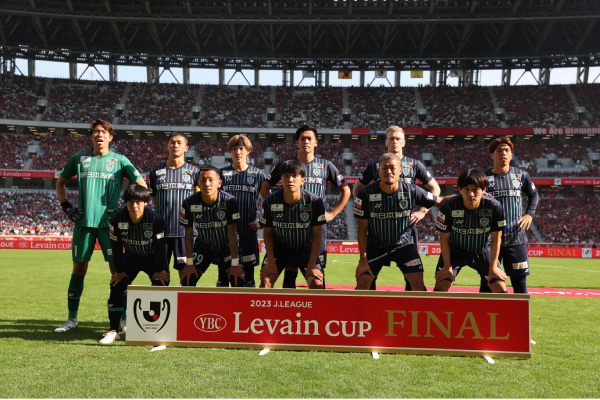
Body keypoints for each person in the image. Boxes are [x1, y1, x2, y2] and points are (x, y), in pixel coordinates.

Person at [54, 119, 147, 333]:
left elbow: (141, 186)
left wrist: (124, 210)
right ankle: (72, 320)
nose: (99, 135)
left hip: (110, 226)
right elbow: (60, 182)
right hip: (84, 223)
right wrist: (66, 206)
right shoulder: (79, 159)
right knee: (78, 270)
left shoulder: (120, 161)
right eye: (96, 131)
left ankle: (123, 319)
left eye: (104, 132)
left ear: (110, 137)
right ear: (91, 136)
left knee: (118, 271)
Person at [260, 125, 351, 288]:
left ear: (316, 142)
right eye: (303, 138)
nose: (306, 141)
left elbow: (346, 190)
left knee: (315, 275)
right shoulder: (285, 165)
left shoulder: (326, 165)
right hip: (286, 227)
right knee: (289, 271)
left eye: (310, 138)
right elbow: (264, 188)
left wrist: (333, 214)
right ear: (297, 142)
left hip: (313, 229)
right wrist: (277, 209)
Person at [352, 126, 440, 291]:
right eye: (391, 138)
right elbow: (357, 189)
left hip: (405, 228)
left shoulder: (415, 165)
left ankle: (410, 304)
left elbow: (435, 189)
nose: (394, 142)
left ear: (404, 142)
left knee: (412, 278)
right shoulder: (375, 165)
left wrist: (422, 211)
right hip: (378, 230)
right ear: (386, 142)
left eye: (398, 139)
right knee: (367, 279)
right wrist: (367, 209)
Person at [99, 184, 169, 344]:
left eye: (138, 202)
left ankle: (157, 329)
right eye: (131, 202)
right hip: (131, 257)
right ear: (125, 203)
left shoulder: (156, 219)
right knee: (116, 285)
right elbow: (116, 247)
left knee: (161, 284)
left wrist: (159, 269)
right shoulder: (116, 219)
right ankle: (113, 331)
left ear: (145, 202)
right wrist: (119, 270)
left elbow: (161, 247)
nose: (134, 206)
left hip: (153, 258)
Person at [434, 168, 508, 293]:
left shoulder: (494, 207)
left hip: (483, 250)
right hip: (455, 251)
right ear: (460, 189)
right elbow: (444, 238)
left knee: (499, 286)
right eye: (467, 189)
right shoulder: (449, 206)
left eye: (475, 189)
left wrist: (494, 267)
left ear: (484, 189)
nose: (471, 194)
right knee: (442, 283)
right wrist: (447, 267)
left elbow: (496, 238)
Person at [483, 137, 539, 294]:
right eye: (499, 150)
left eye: (507, 150)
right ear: (492, 155)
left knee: (520, 284)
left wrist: (529, 214)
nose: (503, 153)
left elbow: (534, 195)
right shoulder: (483, 178)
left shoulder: (521, 175)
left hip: (515, 238)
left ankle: (518, 312)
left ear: (511, 155)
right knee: (488, 284)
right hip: (489, 240)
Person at [259, 160, 327, 289]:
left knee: (317, 285)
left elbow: (317, 234)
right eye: (286, 176)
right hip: (279, 250)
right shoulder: (270, 202)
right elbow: (267, 232)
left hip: (305, 249)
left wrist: (312, 263)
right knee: (265, 283)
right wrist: (271, 262)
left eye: (295, 176)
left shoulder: (314, 202)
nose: (290, 180)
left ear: (302, 180)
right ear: (281, 179)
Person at [179, 166, 242, 287]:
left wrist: (235, 263)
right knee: (188, 280)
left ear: (219, 183)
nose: (207, 184)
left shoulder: (229, 201)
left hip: (227, 248)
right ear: (198, 183)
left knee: (237, 280)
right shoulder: (189, 203)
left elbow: (232, 233)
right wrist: (190, 263)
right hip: (204, 247)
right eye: (203, 180)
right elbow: (188, 234)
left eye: (211, 180)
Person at [149, 133, 200, 281]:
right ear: (167, 146)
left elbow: (198, 199)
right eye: (172, 142)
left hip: (185, 233)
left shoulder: (195, 172)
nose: (175, 145)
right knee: (160, 278)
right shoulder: (155, 172)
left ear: (186, 148)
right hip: (161, 233)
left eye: (179, 143)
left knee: (187, 278)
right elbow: (155, 199)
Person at [219, 135, 266, 287]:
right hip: (225, 233)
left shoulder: (258, 174)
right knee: (223, 276)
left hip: (248, 233)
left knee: (248, 277)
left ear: (248, 151)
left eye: (241, 149)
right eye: (234, 149)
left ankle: (247, 302)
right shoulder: (221, 174)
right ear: (230, 151)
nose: (238, 152)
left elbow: (270, 200)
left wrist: (261, 222)